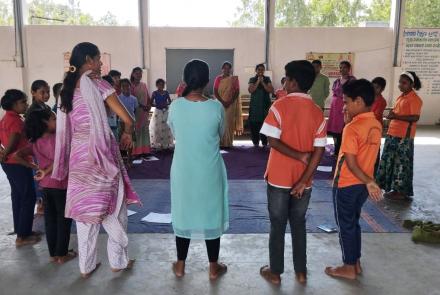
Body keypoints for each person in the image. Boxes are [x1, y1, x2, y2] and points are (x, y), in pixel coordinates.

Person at [52, 42, 140, 278]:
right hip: (101, 153)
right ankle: (118, 261)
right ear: (89, 60)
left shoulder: (66, 90)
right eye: (99, 59)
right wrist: (127, 132)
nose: (101, 64)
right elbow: (128, 118)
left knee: (85, 212)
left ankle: (86, 266)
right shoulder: (99, 85)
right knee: (114, 206)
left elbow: (66, 130)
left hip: (78, 157)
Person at [259, 60, 327, 285]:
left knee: (277, 225)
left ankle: (276, 273)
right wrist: (304, 179)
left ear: (293, 82)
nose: (284, 82)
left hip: (279, 177)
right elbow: (318, 152)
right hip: (304, 181)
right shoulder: (317, 112)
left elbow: (272, 141)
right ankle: (301, 272)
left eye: (286, 78)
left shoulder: (279, 106)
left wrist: (297, 155)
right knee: (298, 224)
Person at [167, 59, 229, 281]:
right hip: (209, 169)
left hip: (183, 169)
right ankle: (213, 267)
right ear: (207, 81)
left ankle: (181, 264)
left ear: (184, 80)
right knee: (211, 213)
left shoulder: (175, 106)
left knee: (183, 212)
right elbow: (221, 134)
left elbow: (174, 133)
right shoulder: (216, 107)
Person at [325, 79, 383, 280]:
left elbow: (350, 162)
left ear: (358, 101)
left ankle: (349, 266)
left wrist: (368, 181)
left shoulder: (352, 128)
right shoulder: (375, 123)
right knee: (353, 223)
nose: (344, 106)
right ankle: (355, 262)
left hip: (347, 184)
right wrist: (368, 181)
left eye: (346, 102)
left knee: (345, 225)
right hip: (362, 187)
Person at [14, 108, 76, 264]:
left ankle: (53, 253)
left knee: (50, 220)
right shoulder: (57, 140)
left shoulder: (34, 141)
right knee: (63, 219)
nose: (57, 122)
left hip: (45, 186)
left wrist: (35, 167)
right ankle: (62, 254)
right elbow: (60, 160)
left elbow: (17, 155)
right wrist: (44, 170)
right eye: (54, 119)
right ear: (44, 123)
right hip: (60, 184)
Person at [0, 89, 40, 247]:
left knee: (17, 196)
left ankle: (22, 229)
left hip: (9, 163)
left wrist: (2, 153)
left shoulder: (5, 118)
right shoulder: (15, 120)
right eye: (23, 102)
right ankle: (23, 236)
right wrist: (6, 153)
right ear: (14, 104)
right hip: (17, 163)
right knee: (28, 196)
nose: (26, 104)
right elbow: (15, 137)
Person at [376, 71, 423, 201]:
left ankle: (401, 191)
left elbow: (415, 117)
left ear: (412, 84)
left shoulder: (414, 99)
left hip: (404, 136)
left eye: (404, 83)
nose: (400, 85)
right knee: (389, 161)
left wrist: (395, 116)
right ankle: (389, 186)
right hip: (393, 133)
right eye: (400, 82)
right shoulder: (402, 97)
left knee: (401, 164)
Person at [327, 61, 356, 157]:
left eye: (344, 67)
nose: (342, 69)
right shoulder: (337, 81)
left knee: (344, 129)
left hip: (346, 108)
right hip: (335, 108)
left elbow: (354, 95)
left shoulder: (353, 81)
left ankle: (343, 151)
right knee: (335, 130)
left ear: (349, 69)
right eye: (340, 67)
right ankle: (336, 150)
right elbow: (334, 93)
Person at [213, 61, 242, 148]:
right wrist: (222, 101)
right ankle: (220, 142)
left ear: (230, 69)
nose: (226, 70)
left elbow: (237, 91)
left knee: (229, 122)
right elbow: (215, 91)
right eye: (225, 68)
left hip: (231, 104)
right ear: (222, 69)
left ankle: (228, 142)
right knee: (220, 122)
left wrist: (230, 101)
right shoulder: (218, 79)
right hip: (220, 103)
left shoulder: (234, 79)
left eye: (228, 68)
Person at [248, 63, 273, 147]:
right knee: (254, 123)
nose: (260, 71)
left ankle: (265, 142)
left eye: (262, 69)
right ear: (256, 70)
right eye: (259, 69)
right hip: (255, 105)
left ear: (264, 71)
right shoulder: (252, 79)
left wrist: (262, 82)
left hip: (265, 105)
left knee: (265, 123)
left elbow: (270, 90)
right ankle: (255, 142)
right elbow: (251, 90)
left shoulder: (267, 79)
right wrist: (258, 81)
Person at [130, 67, 152, 157]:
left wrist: (149, 105)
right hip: (136, 112)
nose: (139, 75)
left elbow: (148, 97)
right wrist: (143, 106)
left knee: (145, 131)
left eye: (140, 73)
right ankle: (136, 151)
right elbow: (131, 99)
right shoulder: (130, 86)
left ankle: (145, 151)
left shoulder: (143, 85)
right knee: (137, 131)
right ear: (133, 74)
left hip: (145, 111)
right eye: (137, 73)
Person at [150, 79, 174, 150]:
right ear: (157, 85)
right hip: (158, 112)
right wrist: (157, 105)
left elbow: (169, 101)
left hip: (165, 111)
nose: (161, 86)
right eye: (160, 84)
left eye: (163, 84)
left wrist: (166, 105)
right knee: (157, 128)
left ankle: (166, 144)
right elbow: (151, 102)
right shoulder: (154, 93)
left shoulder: (166, 92)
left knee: (166, 127)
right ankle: (158, 145)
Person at [371, 77, 387, 173]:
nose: (374, 89)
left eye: (377, 87)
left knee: (375, 148)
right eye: (373, 87)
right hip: (367, 127)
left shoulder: (382, 101)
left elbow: (375, 115)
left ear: (382, 89)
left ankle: (375, 170)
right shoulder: (369, 97)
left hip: (375, 128)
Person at [102, 75, 119, 139]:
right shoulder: (101, 95)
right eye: (111, 85)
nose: (113, 87)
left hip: (113, 124)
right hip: (105, 126)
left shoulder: (113, 95)